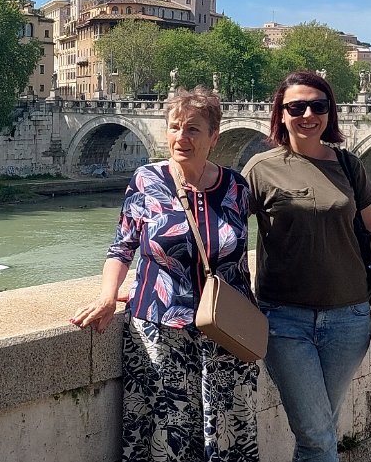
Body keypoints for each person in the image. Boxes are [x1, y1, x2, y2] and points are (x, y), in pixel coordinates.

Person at [69, 87, 259, 461]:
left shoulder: (236, 186)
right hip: (160, 331)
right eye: (174, 127)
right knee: (167, 437)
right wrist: (108, 295)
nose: (181, 137)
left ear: (214, 137)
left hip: (227, 333)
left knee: (228, 437)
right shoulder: (147, 180)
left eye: (193, 129)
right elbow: (122, 247)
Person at [242, 70, 371, 462]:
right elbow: (226, 236)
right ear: (280, 114)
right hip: (284, 319)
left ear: (330, 113)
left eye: (318, 106)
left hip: (350, 317)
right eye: (297, 107)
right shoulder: (260, 169)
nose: (308, 115)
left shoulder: (349, 166)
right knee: (317, 432)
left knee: (319, 429)